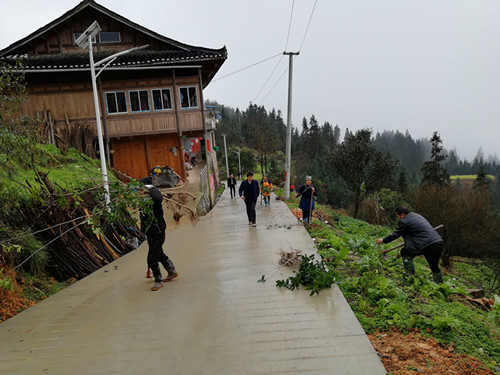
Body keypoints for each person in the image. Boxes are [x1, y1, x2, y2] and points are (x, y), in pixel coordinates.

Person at [376, 206, 443, 283]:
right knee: (434, 267)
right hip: (437, 243)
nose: (399, 218)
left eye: (398, 216)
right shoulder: (417, 216)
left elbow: (396, 234)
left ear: (402, 215)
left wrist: (383, 240)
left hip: (425, 244)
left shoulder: (404, 221)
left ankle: (410, 278)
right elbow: (414, 237)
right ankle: (440, 286)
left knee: (405, 252)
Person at [140, 185, 178, 291]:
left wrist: (152, 189)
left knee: (152, 258)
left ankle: (158, 281)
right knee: (159, 254)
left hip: (158, 231)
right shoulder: (143, 203)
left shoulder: (154, 201)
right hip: (150, 232)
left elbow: (158, 197)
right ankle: (172, 272)